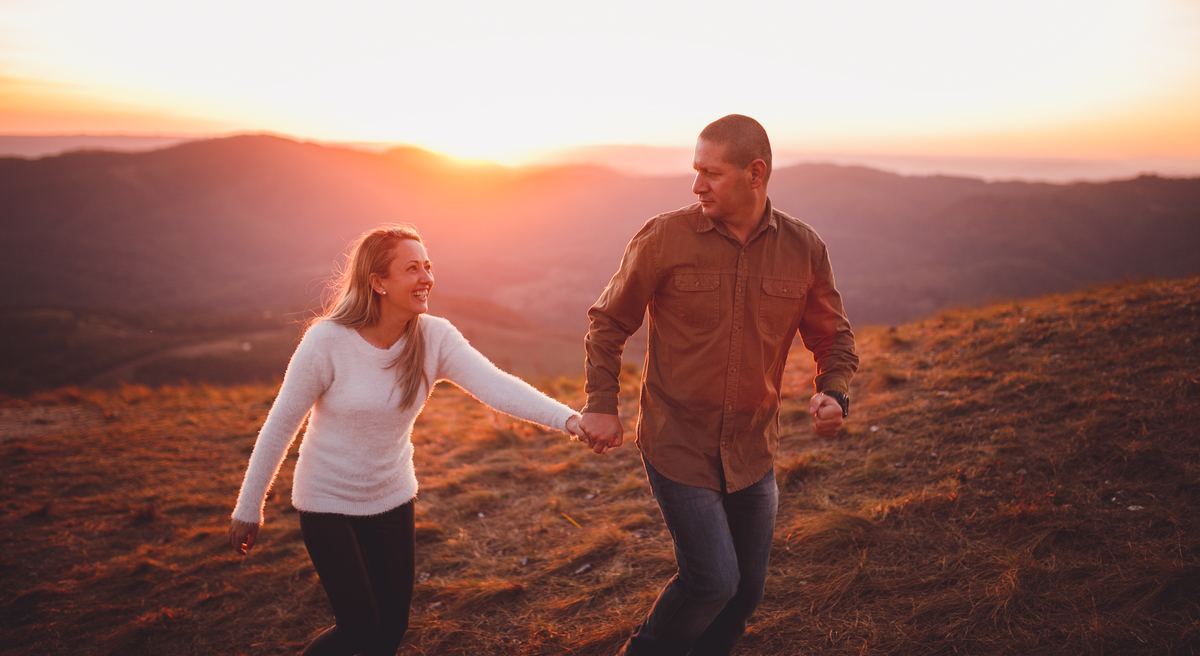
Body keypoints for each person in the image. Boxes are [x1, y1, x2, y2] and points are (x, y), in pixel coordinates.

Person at [229, 223, 590, 656]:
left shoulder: (434, 337)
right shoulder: (327, 341)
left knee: (392, 627)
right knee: (359, 629)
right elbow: (281, 423)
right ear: (378, 282)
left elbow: (496, 385)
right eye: (412, 269)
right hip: (327, 502)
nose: (426, 278)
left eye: (428, 266)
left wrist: (569, 420)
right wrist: (249, 507)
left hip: (392, 497)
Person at [579, 115, 859, 656]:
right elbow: (608, 322)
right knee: (712, 581)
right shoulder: (664, 237)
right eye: (696, 170)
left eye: (712, 173)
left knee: (745, 594)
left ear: (755, 174)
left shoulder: (803, 247)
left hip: (753, 449)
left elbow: (833, 336)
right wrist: (601, 405)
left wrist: (834, 391)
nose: (696, 185)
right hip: (678, 444)